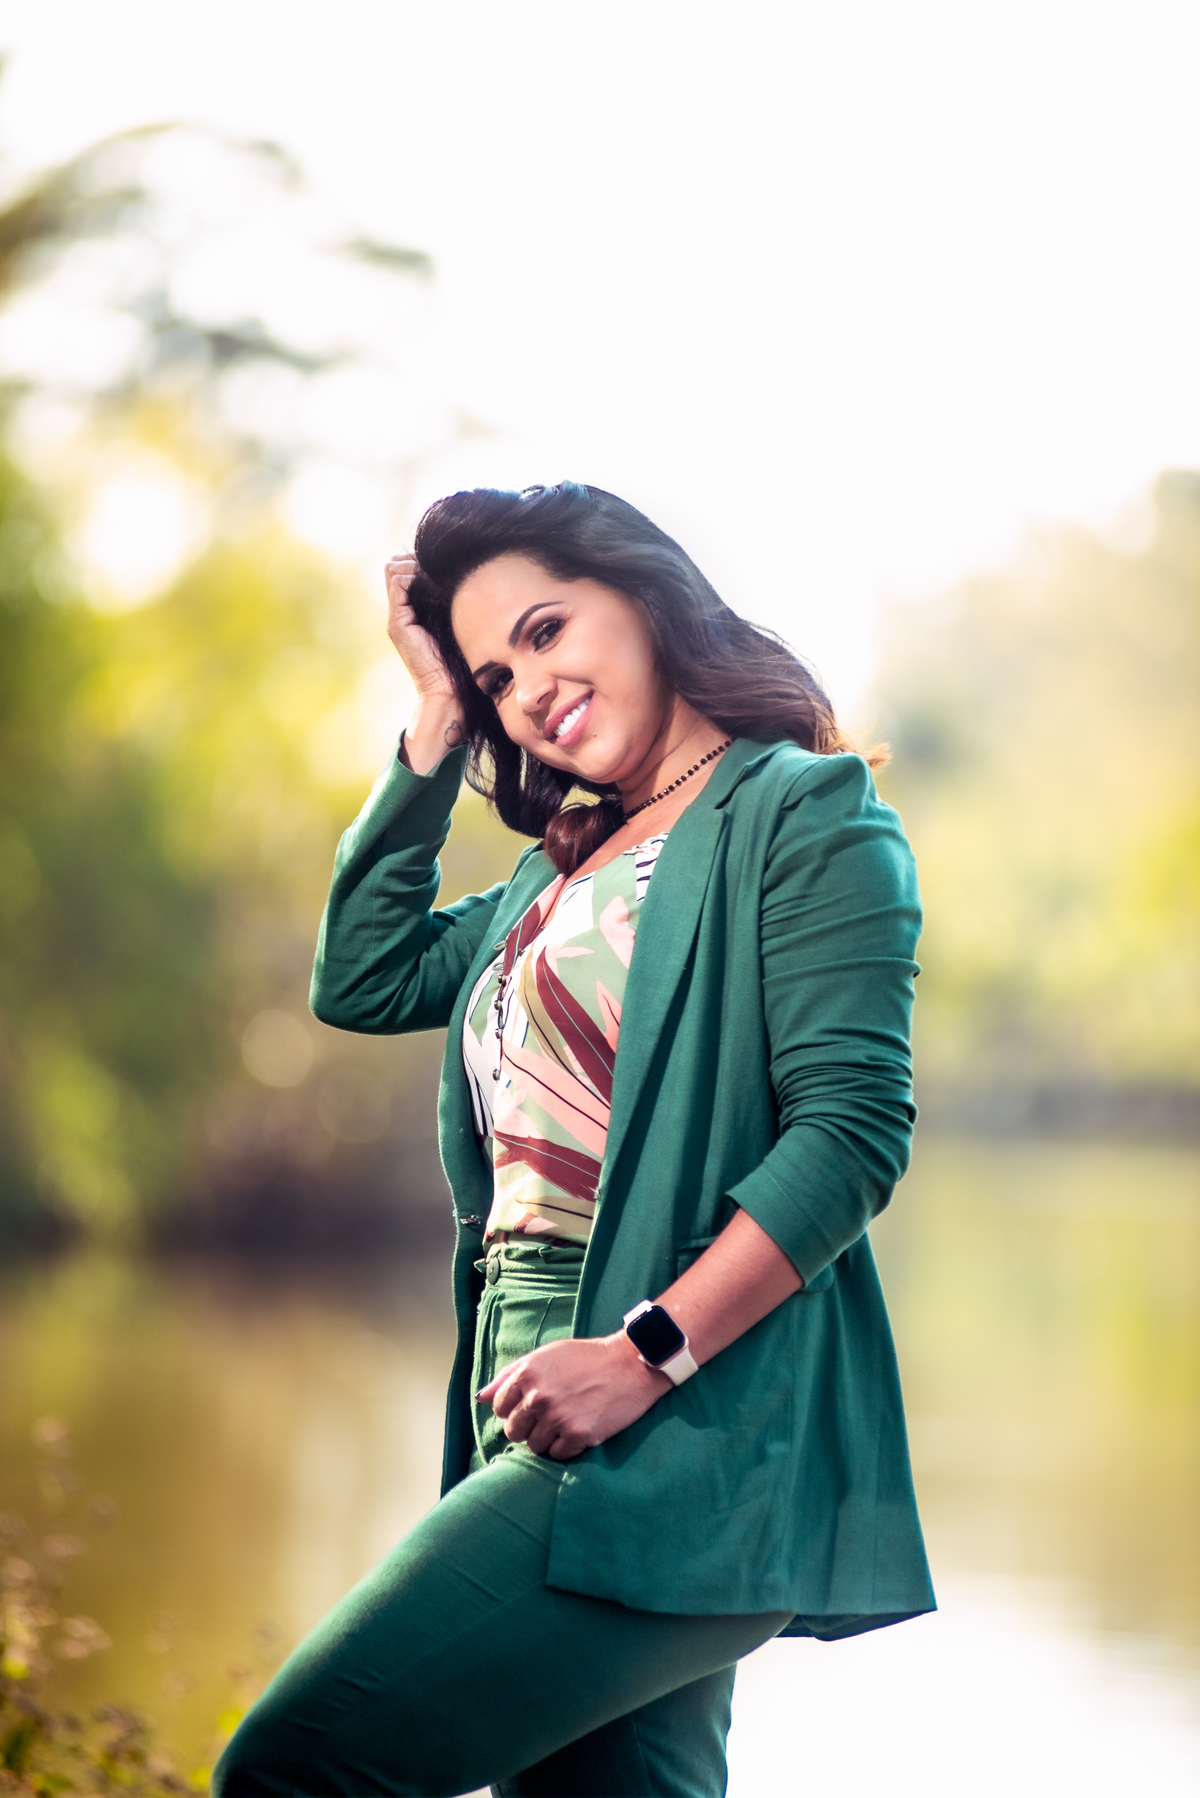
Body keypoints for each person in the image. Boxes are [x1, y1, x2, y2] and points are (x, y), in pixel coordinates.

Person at [214, 482, 934, 1798]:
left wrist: (643, 1353)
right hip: (527, 1364)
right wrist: (434, 717)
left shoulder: (801, 811)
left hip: (681, 1394)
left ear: (647, 595)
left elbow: (851, 1135)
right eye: (496, 672)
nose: (528, 686)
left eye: (547, 629)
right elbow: (363, 974)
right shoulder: (559, 869)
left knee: (297, 1765)